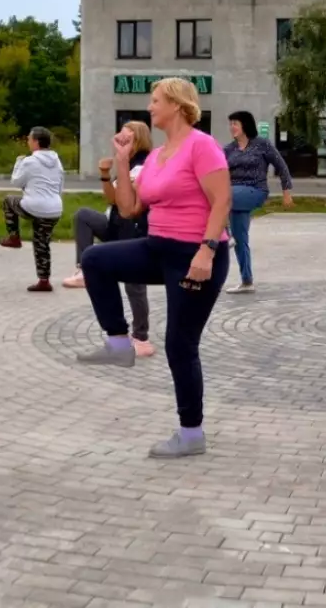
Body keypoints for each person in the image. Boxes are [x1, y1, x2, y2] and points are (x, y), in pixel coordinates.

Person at [77, 77, 231, 459]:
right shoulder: (158, 155)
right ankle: (118, 343)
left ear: (178, 105)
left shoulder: (202, 145)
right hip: (157, 246)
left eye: (156, 100)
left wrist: (207, 252)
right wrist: (123, 161)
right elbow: (129, 208)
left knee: (180, 345)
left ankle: (191, 433)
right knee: (95, 259)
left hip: (195, 254)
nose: (149, 107)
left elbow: (223, 200)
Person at [62, 120, 155, 357]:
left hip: (134, 229)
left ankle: (141, 337)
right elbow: (111, 199)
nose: (122, 142)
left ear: (140, 140)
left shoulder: (144, 165)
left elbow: (127, 200)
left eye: (128, 138)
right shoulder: (125, 163)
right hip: (115, 225)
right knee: (83, 216)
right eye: (120, 137)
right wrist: (105, 175)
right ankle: (83, 268)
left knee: (134, 286)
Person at [222, 110, 294, 294]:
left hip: (255, 190)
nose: (232, 127)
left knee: (224, 196)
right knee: (241, 240)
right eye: (230, 124)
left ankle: (222, 234)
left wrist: (287, 192)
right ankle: (247, 281)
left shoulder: (262, 145)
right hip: (234, 196)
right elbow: (218, 171)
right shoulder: (228, 149)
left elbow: (281, 166)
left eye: (235, 123)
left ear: (245, 125)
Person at [0, 127, 65, 292]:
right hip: (55, 208)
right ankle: (44, 281)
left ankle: (14, 237)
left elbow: (16, 182)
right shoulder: (57, 161)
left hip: (34, 206)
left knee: (8, 201)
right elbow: (60, 186)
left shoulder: (29, 161)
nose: (27, 141)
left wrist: (18, 163)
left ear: (36, 141)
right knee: (42, 242)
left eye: (29, 139)